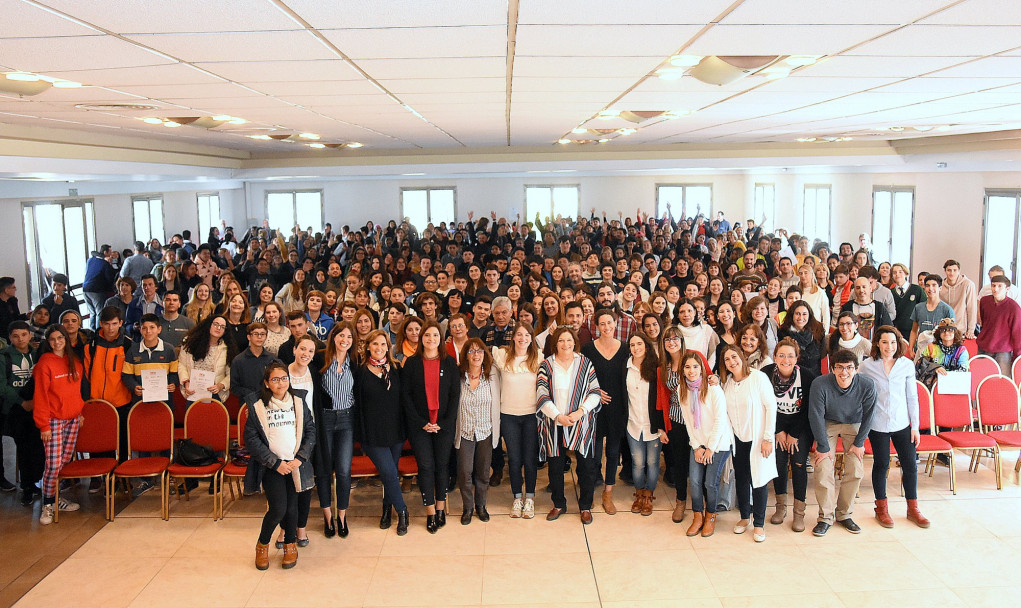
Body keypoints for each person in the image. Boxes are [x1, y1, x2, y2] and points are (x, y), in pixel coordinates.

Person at [246, 362, 316, 571]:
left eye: (284, 378)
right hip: (273, 467)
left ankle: (290, 545)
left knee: (292, 509)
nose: (281, 383)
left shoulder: (298, 401)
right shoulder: (258, 405)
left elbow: (310, 431)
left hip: (294, 465)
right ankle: (262, 545)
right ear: (267, 383)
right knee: (277, 509)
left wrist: (300, 458)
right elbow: (251, 439)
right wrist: (275, 463)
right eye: (275, 379)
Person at [859, 326, 929, 529]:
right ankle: (881, 508)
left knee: (910, 464)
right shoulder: (867, 365)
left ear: (898, 344)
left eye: (892, 342)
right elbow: (861, 395)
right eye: (884, 342)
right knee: (881, 464)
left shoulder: (906, 365)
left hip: (901, 422)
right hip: (878, 423)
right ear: (877, 344)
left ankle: (913, 508)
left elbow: (912, 397)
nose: (889, 346)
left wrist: (915, 426)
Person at [536, 326, 602, 524]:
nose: (566, 344)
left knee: (586, 467)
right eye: (561, 340)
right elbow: (541, 394)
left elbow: (595, 392)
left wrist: (581, 412)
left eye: (569, 340)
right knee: (555, 467)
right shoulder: (546, 365)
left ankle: (585, 506)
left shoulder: (585, 363)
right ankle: (558, 504)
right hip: (555, 423)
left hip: (580, 422)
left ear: (575, 342)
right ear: (555, 343)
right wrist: (558, 416)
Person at [809, 349, 877, 537]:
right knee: (822, 467)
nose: (844, 372)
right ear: (832, 369)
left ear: (856, 370)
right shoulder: (820, 384)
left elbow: (870, 416)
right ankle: (825, 517)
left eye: (849, 368)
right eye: (839, 367)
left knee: (855, 469)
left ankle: (844, 514)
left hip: (853, 423)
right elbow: (815, 415)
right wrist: (822, 447)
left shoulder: (867, 385)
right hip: (828, 423)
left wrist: (859, 443)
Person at [401, 321, 461, 533]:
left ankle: (441, 507)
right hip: (420, 426)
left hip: (443, 425)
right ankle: (430, 512)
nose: (430, 339)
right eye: (427, 335)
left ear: (441, 339)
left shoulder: (450, 363)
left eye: (435, 335)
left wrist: (442, 424)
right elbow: (405, 396)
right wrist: (422, 423)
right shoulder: (411, 363)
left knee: (442, 466)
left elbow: (455, 396)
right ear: (421, 338)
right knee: (426, 467)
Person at [720, 344, 777, 543]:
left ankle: (759, 524)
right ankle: (745, 517)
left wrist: (768, 438)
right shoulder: (728, 382)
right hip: (738, 440)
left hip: (758, 439)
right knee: (742, 479)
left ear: (742, 357)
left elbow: (771, 407)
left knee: (758, 481)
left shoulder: (758, 378)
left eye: (734, 357)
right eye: (727, 359)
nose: (731, 362)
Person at [356, 330, 409, 535]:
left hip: (395, 431)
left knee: (391, 475)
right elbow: (358, 405)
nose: (379, 348)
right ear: (368, 346)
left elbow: (403, 400)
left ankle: (387, 510)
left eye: (383, 344)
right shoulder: (360, 371)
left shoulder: (396, 368)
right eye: (375, 344)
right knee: (388, 472)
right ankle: (403, 512)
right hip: (372, 434)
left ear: (389, 347)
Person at [33, 324, 85, 525]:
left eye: (60, 338)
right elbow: (41, 397)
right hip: (53, 420)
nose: (57, 342)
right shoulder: (44, 364)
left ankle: (55, 498)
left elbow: (75, 391)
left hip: (72, 419)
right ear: (48, 342)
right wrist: (43, 425)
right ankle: (47, 504)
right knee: (53, 464)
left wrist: (79, 412)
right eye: (53, 339)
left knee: (63, 462)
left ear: (66, 339)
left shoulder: (74, 361)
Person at [762, 338, 816, 532]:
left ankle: (799, 513)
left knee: (799, 463)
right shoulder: (765, 374)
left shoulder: (807, 376)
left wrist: (793, 433)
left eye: (790, 356)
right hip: (775, 426)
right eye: (781, 355)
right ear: (775, 356)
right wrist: (777, 431)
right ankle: (780, 507)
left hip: (800, 426)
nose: (786, 359)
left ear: (797, 358)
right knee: (778, 462)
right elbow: (764, 406)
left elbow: (809, 409)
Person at [677, 346, 731, 537]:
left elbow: (720, 421)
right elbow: (689, 423)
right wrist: (697, 447)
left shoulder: (713, 389)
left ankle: (711, 516)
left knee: (710, 483)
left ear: (702, 369)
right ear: (683, 370)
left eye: (695, 367)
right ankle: (697, 516)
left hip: (719, 443)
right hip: (699, 444)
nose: (691, 371)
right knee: (695, 481)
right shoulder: (681, 389)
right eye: (687, 367)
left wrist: (710, 448)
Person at [581, 309, 630, 515]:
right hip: (594, 408)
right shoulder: (588, 349)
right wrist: (595, 392)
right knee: (593, 454)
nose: (607, 327)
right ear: (596, 326)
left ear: (615, 323)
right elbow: (581, 378)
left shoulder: (626, 348)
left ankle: (608, 493)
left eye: (610, 323)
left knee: (612, 452)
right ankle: (590, 491)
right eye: (602, 324)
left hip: (617, 407)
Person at [311, 322, 357, 538]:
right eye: (341, 335)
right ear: (333, 337)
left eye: (349, 337)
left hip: (346, 419)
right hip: (326, 419)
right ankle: (327, 517)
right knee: (323, 469)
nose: (345, 340)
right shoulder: (321, 358)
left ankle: (342, 516)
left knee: (344, 470)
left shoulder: (354, 362)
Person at [491, 321, 541, 519]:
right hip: (508, 415)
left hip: (531, 415)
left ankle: (529, 498)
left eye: (526, 335)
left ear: (532, 338)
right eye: (519, 335)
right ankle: (517, 497)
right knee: (514, 459)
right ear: (513, 337)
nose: (523, 338)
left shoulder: (539, 357)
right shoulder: (502, 356)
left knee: (529, 459)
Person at [454, 337, 501, 524]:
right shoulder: (458, 377)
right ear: (465, 355)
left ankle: (481, 505)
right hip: (465, 431)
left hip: (485, 431)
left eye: (479, 351)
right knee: (465, 472)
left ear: (485, 354)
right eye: (471, 351)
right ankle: (468, 507)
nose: (476, 355)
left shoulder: (492, 376)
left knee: (482, 472)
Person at [279, 334, 318, 547]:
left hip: (308, 435)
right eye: (302, 349)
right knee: (286, 485)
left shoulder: (315, 373)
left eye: (310, 351)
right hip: (285, 434)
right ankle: (284, 529)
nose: (306, 354)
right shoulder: (282, 374)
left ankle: (301, 528)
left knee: (304, 484)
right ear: (294, 349)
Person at [0, 321, 41, 503]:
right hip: (15, 410)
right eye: (15, 336)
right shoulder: (4, 357)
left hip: (36, 408)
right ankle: (27, 486)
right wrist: (21, 401)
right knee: (23, 448)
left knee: (37, 446)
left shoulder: (37, 354)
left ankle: (36, 481)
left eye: (24, 335)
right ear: (10, 338)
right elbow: (2, 386)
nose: (20, 339)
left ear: (30, 335)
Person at [623, 332, 662, 516]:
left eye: (639, 344)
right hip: (633, 424)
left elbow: (661, 399)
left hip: (652, 426)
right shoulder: (626, 367)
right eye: (632, 345)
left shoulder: (656, 367)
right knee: (638, 463)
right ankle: (639, 493)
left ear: (646, 346)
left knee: (653, 463)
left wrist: (661, 425)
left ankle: (649, 495)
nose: (636, 348)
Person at [179, 315, 234, 403]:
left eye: (222, 327)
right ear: (209, 325)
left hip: (215, 393)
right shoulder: (190, 342)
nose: (218, 328)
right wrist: (186, 382)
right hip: (192, 390)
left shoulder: (227, 348)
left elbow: (232, 373)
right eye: (216, 324)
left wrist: (221, 385)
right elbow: (182, 365)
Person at [977, 275, 1021, 376]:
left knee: (1003, 380)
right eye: (993, 285)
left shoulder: (1014, 308)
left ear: (1007, 289)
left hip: (1003, 351)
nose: (995, 289)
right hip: (984, 346)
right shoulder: (984, 301)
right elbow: (984, 321)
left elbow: (1017, 334)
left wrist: (1017, 356)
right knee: (980, 378)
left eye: (1000, 286)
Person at [231, 322, 277, 406]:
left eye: (262, 334)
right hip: (247, 404)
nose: (259, 337)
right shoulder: (238, 360)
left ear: (266, 337)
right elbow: (234, 388)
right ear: (249, 337)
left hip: (269, 403)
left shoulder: (272, 359)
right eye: (256, 334)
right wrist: (251, 394)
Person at [778, 300, 827, 376]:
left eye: (804, 314)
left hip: (814, 375)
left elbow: (822, 354)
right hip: (793, 375)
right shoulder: (783, 332)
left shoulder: (818, 330)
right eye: (797, 314)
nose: (801, 317)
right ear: (792, 315)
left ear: (809, 315)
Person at [909, 274, 956, 351]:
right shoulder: (918, 307)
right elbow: (914, 330)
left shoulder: (947, 309)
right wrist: (911, 348)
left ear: (940, 288)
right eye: (927, 285)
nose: (930, 288)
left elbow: (952, 334)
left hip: (940, 351)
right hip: (921, 350)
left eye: (934, 285)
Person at [840, 277, 892, 341]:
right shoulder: (847, 307)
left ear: (870, 289)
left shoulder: (879, 307)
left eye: (864, 287)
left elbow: (889, 330)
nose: (861, 290)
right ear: (854, 290)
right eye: (858, 288)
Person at [940, 259, 978, 339]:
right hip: (944, 329)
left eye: (955, 270)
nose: (952, 273)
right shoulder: (940, 286)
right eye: (949, 270)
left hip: (961, 329)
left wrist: (971, 329)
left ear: (959, 271)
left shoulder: (968, 284)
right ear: (945, 271)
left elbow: (971, 308)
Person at [83, 246, 118, 331]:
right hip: (97, 290)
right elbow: (109, 278)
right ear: (105, 253)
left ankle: (91, 331)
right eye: (110, 251)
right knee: (99, 313)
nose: (111, 254)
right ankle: (98, 333)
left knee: (92, 313)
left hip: (85, 288)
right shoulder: (104, 263)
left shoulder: (90, 260)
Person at [890, 263, 925, 339]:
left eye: (900, 272)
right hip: (897, 331)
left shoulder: (917, 289)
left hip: (914, 331)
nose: (897, 274)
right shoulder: (890, 292)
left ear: (906, 273)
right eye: (894, 272)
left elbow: (923, 308)